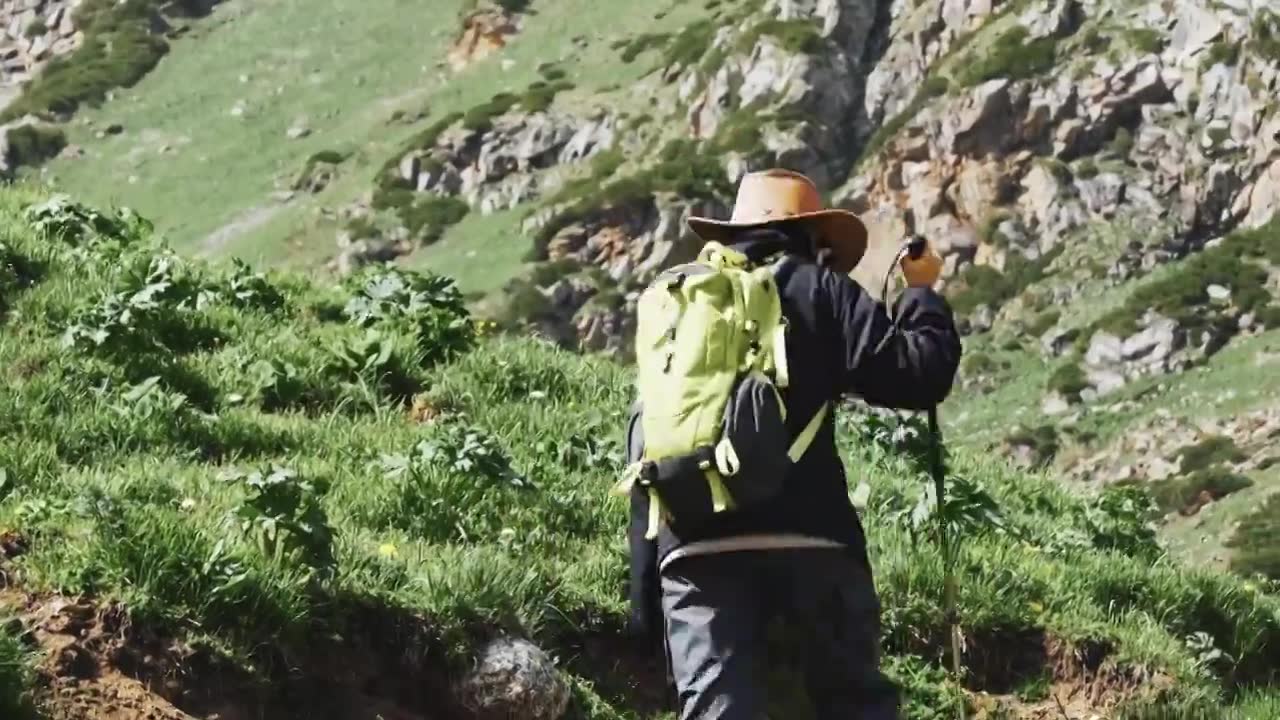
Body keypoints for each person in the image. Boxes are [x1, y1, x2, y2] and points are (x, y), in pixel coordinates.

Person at [624, 169, 963, 719]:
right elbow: (920, 376)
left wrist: (644, 606)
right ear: (815, 240)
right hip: (814, 539)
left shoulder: (679, 302)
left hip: (693, 545)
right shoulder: (819, 288)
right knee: (854, 705)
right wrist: (920, 294)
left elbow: (647, 442)